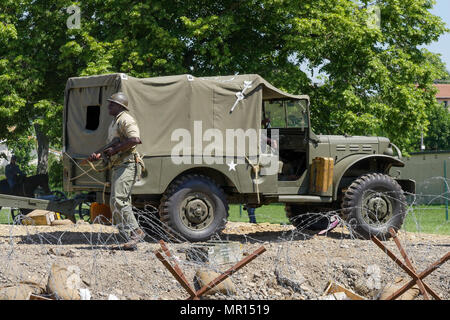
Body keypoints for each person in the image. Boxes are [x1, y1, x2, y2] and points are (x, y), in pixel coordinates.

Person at [89, 92, 145, 251]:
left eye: (111, 104)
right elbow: (112, 145)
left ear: (120, 106)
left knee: (119, 199)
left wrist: (114, 150)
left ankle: (136, 232)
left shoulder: (126, 119)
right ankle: (126, 238)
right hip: (119, 165)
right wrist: (99, 155)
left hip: (127, 164)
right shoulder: (115, 122)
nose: (108, 106)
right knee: (115, 201)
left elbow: (135, 139)